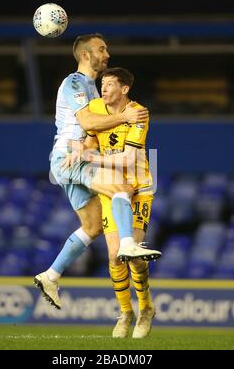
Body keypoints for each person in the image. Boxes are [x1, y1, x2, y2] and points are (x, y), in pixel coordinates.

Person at [34, 33, 161, 309]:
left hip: (76, 156)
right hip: (69, 155)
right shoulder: (75, 82)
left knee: (92, 226)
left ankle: (51, 275)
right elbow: (87, 119)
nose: (107, 54)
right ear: (85, 55)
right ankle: (128, 243)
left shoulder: (93, 88)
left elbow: (92, 129)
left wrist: (88, 144)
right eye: (102, 49)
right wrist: (124, 117)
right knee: (121, 187)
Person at [82, 67, 157, 339]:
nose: (104, 88)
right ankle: (126, 312)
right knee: (114, 255)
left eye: (110, 84)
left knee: (133, 255)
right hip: (111, 188)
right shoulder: (95, 107)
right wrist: (85, 150)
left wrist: (91, 159)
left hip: (138, 188)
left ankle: (146, 308)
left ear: (124, 89)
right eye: (103, 83)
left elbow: (128, 160)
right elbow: (90, 137)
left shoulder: (139, 113)